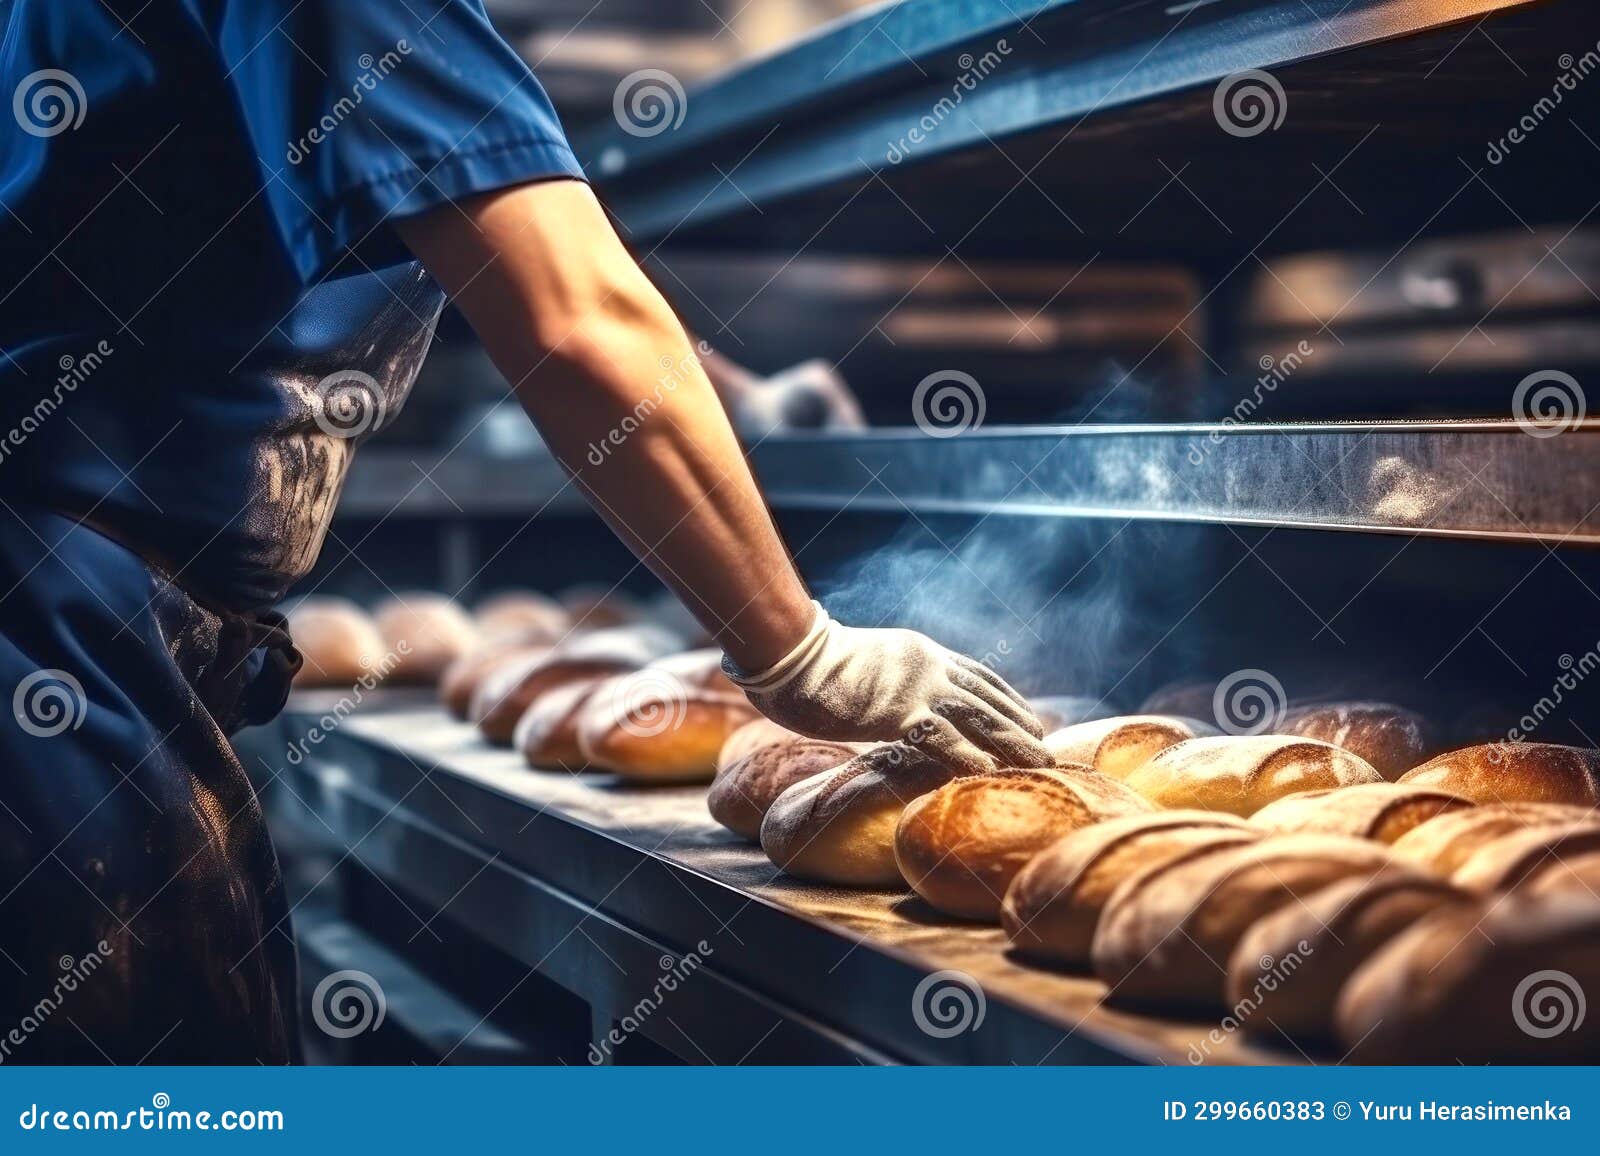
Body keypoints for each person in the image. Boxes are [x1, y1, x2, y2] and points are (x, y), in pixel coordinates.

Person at [0, 1, 1048, 1064]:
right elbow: (574, 320)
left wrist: (735, 396)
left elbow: (459, 226)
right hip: (56, 640)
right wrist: (800, 647)